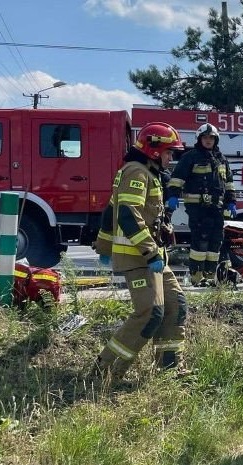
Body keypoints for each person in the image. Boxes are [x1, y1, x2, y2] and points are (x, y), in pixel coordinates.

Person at [92, 122, 188, 383]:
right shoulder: (136, 171)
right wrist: (150, 253)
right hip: (140, 258)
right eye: (169, 152)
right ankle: (105, 374)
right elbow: (126, 214)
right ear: (155, 151)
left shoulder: (149, 172)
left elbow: (110, 211)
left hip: (153, 256)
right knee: (149, 314)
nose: (172, 157)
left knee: (175, 306)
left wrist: (103, 246)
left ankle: (168, 370)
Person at [167, 123, 236, 287]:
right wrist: (173, 195)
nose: (208, 140)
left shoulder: (221, 159)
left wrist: (231, 202)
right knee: (201, 241)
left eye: (211, 138)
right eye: (205, 137)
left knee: (215, 242)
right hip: (198, 208)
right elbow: (177, 177)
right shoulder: (191, 157)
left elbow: (229, 184)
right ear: (200, 139)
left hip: (217, 209)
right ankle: (197, 277)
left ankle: (210, 276)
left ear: (216, 139)